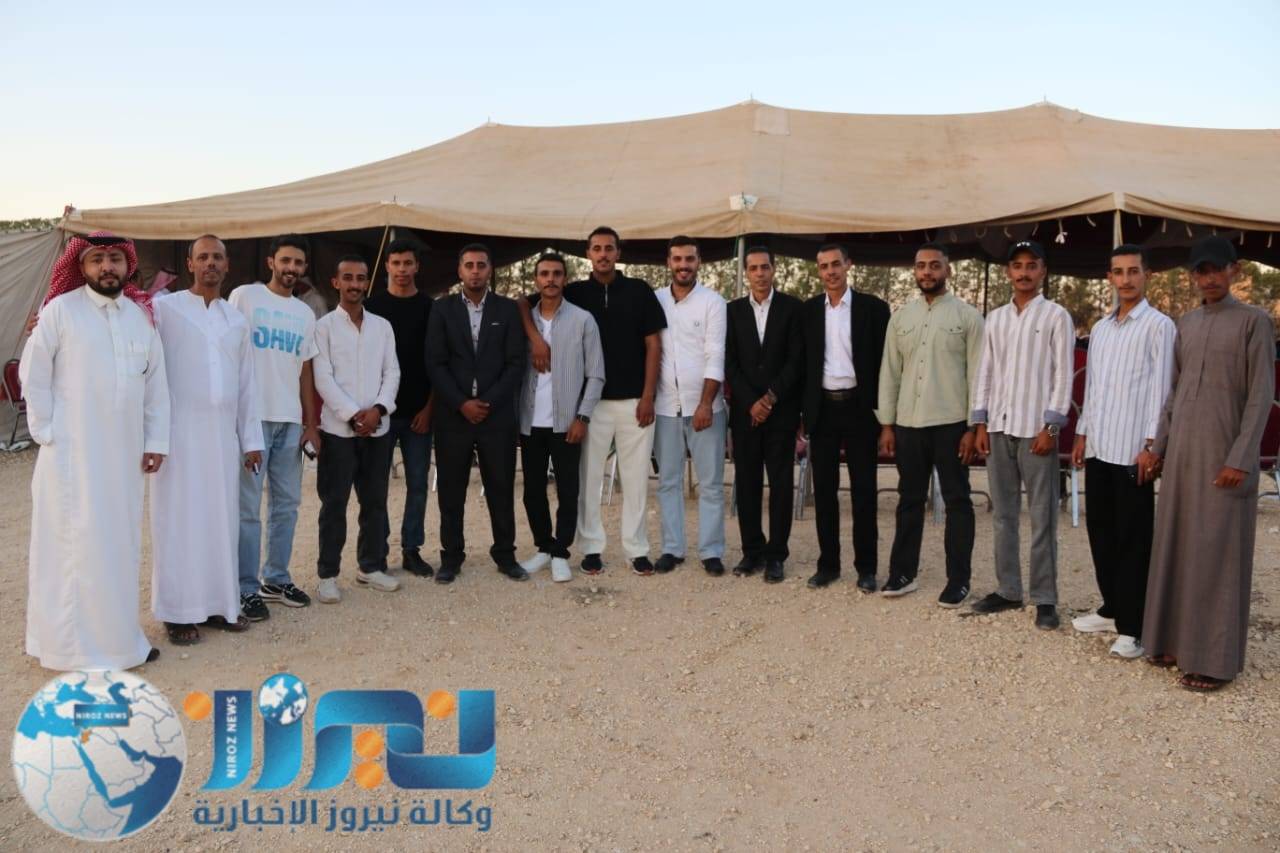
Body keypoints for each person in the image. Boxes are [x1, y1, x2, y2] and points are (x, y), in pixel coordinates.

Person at [21, 232, 170, 670]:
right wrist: (48, 432)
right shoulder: (60, 311)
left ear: (128, 266)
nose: (107, 267)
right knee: (73, 548)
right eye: (98, 259)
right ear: (81, 266)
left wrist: (156, 441)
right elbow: (33, 373)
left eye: (115, 259)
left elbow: (155, 386)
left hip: (124, 456)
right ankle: (68, 648)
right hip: (72, 459)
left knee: (119, 546)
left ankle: (120, 643)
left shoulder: (140, 318)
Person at [1141, 236, 1274, 690]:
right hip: (1182, 456)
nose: (1210, 278)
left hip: (1224, 457)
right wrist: (1158, 447)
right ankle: (1171, 642)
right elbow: (1174, 394)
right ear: (1193, 276)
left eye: (1217, 268)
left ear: (1234, 270)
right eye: (1201, 270)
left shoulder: (1254, 322)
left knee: (1217, 554)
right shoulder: (1187, 323)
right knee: (1177, 547)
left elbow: (1260, 397)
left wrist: (1241, 458)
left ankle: (1214, 661)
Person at [519, 226, 666, 576]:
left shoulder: (640, 290)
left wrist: (648, 396)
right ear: (588, 254)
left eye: (609, 248)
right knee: (587, 481)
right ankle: (591, 548)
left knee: (636, 480)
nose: (603, 254)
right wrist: (536, 339)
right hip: (590, 405)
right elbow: (523, 304)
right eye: (596, 248)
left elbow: (654, 344)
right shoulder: (573, 292)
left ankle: (636, 549)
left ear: (618, 253)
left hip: (634, 402)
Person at [151, 235, 264, 645]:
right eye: (203, 257)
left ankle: (219, 605)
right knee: (179, 522)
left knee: (221, 521)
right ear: (190, 264)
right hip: (177, 435)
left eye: (217, 257)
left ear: (228, 265)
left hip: (222, 438)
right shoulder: (164, 309)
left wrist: (251, 439)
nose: (210, 263)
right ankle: (177, 612)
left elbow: (247, 384)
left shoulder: (236, 320)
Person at [1069, 244, 1175, 658]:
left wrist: (1152, 445)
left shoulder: (1159, 326)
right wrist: (1082, 433)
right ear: (1109, 277)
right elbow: (1093, 387)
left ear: (1147, 275)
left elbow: (1162, 391)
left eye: (1133, 271)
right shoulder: (1100, 328)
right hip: (1100, 446)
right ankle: (1112, 608)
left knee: (1134, 539)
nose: (1126, 279)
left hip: (1134, 451)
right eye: (1118, 272)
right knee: (1101, 531)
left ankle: (1134, 627)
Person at [970, 240, 1074, 629]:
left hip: (1036, 431)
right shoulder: (995, 318)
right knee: (1003, 515)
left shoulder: (1056, 316)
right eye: (1017, 265)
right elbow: (985, 371)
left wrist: (1051, 425)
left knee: (1043, 516)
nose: (1024, 272)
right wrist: (980, 422)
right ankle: (1009, 590)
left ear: (1042, 270)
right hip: (999, 427)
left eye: (1032, 265)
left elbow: (1063, 374)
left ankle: (1045, 598)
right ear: (1008, 272)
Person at [877, 242, 984, 607]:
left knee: (957, 501)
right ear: (914, 270)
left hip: (952, 424)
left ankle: (959, 580)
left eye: (934, 265)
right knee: (909, 499)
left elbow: (977, 375)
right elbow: (890, 373)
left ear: (947, 271)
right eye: (921, 265)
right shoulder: (900, 318)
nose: (927, 272)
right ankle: (902, 573)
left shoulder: (968, 317)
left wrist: (973, 426)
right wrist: (887, 424)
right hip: (908, 423)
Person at [229, 234, 321, 618]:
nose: (291, 268)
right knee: (248, 508)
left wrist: (311, 423)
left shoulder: (305, 314)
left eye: (298, 263)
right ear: (271, 262)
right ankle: (244, 587)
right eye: (285, 261)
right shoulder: (245, 297)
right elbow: (228, 350)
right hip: (252, 419)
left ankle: (276, 578)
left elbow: (305, 371)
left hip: (289, 421)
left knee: (287, 504)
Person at [426, 243, 527, 583]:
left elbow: (516, 363)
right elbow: (435, 363)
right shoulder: (442, 309)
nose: (474, 271)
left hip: (495, 417)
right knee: (451, 491)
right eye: (468, 265)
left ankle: (506, 555)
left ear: (489, 269)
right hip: (453, 416)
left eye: (481, 265)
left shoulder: (507, 309)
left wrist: (488, 403)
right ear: (459, 270)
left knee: (500, 487)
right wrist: (461, 403)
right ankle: (451, 557)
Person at [313, 255, 402, 603]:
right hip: (338, 432)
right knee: (334, 504)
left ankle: (371, 566)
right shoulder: (324, 327)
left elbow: (392, 372)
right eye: (347, 278)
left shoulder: (383, 326)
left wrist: (378, 410)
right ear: (336, 283)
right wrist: (353, 415)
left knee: (375, 502)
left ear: (367, 283)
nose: (354, 284)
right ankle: (328, 575)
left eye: (360, 278)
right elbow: (323, 377)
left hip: (378, 430)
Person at [801, 244, 890, 590]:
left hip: (860, 409)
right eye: (824, 266)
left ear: (848, 265)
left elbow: (886, 365)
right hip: (823, 409)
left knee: (864, 491)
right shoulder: (809, 311)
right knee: (824, 491)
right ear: (819, 270)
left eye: (836, 264)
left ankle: (866, 568)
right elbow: (804, 365)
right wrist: (803, 414)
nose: (831, 271)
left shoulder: (873, 309)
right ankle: (828, 565)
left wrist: (886, 418)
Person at [517, 253, 605, 582]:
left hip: (567, 422)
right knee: (532, 491)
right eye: (544, 274)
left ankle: (560, 552)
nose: (550, 279)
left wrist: (583, 417)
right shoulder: (524, 321)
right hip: (529, 422)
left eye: (556, 273)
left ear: (565, 279)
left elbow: (596, 374)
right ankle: (543, 546)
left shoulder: (583, 320)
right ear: (536, 280)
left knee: (568, 491)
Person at [724, 246, 804, 583]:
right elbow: (729, 362)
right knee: (747, 483)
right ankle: (752, 551)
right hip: (745, 414)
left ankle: (776, 555)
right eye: (753, 268)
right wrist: (750, 403)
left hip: (781, 412)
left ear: (774, 269)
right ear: (746, 272)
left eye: (765, 267)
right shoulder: (732, 311)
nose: (759, 273)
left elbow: (797, 360)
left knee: (781, 485)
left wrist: (769, 399)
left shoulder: (793, 308)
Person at [652, 236, 729, 576]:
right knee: (668, 482)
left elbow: (715, 353)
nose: (683, 265)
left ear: (699, 262)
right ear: (668, 262)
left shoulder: (713, 302)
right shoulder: (655, 300)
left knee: (710, 484)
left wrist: (705, 404)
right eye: (677, 259)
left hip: (705, 408)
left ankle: (711, 551)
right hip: (665, 407)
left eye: (689, 259)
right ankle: (672, 548)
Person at [366, 238, 436, 578]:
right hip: (381, 412)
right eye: (396, 263)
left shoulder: (431, 308)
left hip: (418, 413)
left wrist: (430, 408)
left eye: (408, 263)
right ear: (387, 266)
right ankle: (377, 552)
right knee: (376, 486)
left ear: (417, 266)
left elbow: (439, 362)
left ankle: (411, 549)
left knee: (418, 484)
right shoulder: (372, 307)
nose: (402, 269)